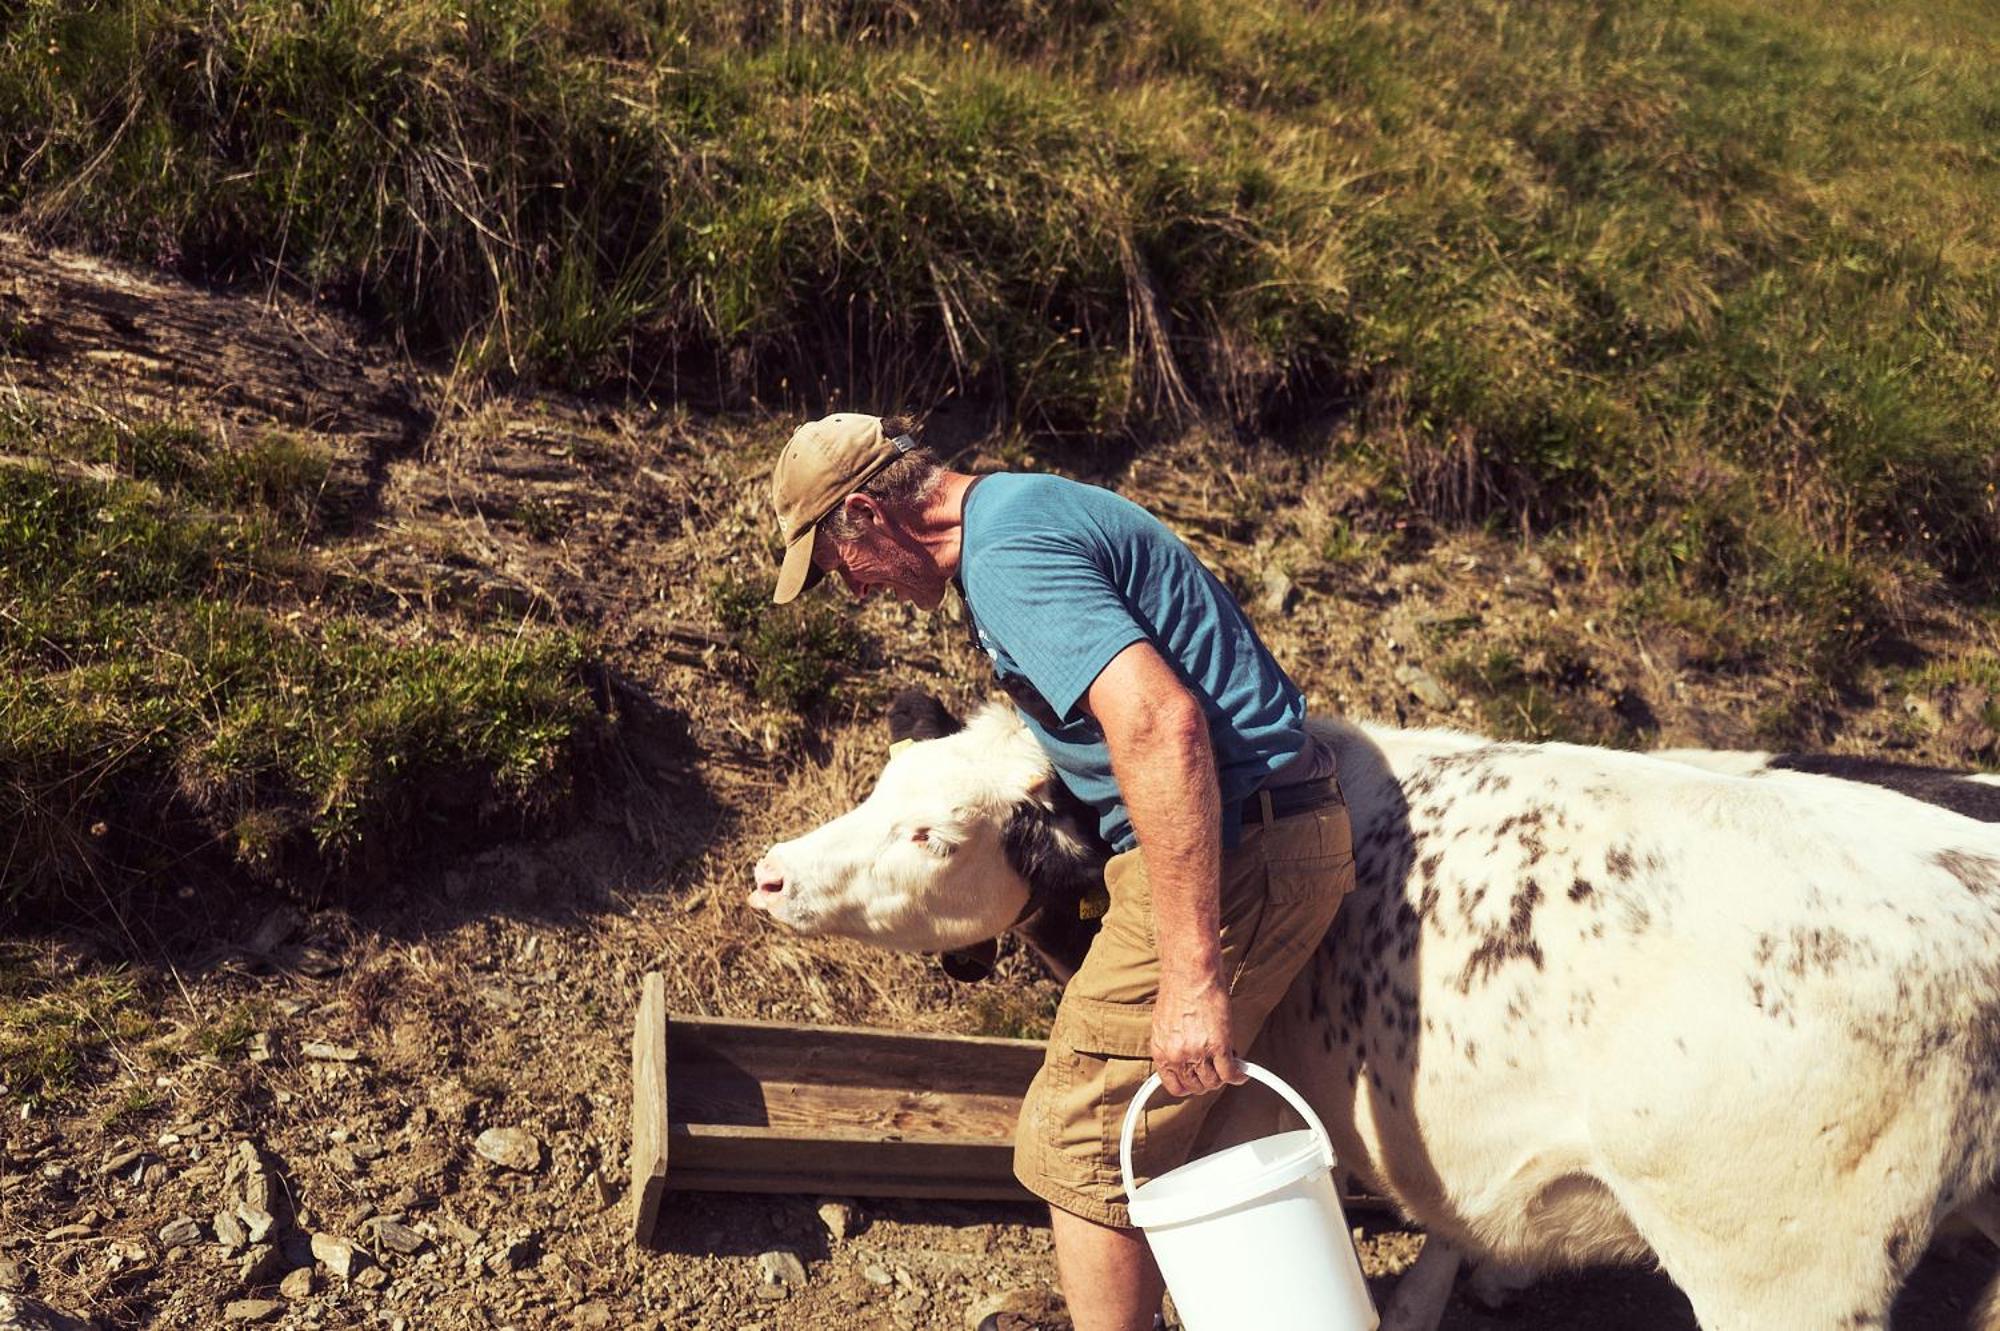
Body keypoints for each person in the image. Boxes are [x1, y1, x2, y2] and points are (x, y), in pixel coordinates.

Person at [769, 412, 1355, 1331]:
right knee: (1155, 1120)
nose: (853, 591)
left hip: (1238, 850)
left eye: (839, 567)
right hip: (1258, 832)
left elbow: (1161, 723)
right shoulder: (1019, 514)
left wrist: (1192, 971)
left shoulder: (1006, 558)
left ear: (866, 515)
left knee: (1078, 1134)